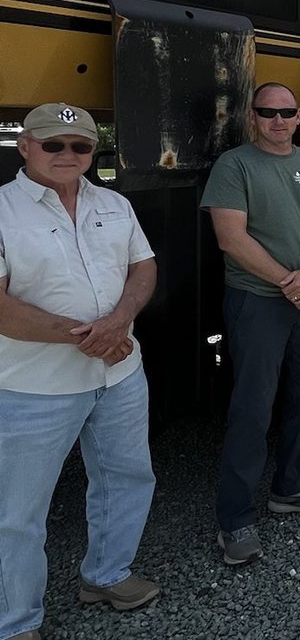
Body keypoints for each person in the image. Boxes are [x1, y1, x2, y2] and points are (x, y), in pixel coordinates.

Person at [0, 103, 159, 637]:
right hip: (33, 388)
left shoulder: (113, 203)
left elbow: (144, 266)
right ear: (25, 146)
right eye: (53, 144)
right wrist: (96, 337)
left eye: (81, 146)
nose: (68, 155)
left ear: (94, 151)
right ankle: (16, 620)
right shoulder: (1, 210)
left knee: (125, 478)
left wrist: (119, 322)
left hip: (118, 378)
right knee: (17, 513)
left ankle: (107, 575)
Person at [202, 82, 300, 567]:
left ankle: (290, 487)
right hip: (259, 300)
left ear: (299, 117)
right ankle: (235, 518)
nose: (278, 120)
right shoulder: (235, 165)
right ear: (253, 116)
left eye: (286, 113)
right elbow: (230, 237)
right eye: (268, 112)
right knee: (253, 407)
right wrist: (291, 281)